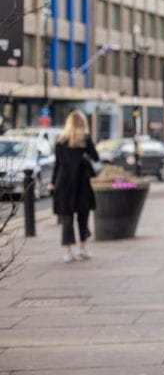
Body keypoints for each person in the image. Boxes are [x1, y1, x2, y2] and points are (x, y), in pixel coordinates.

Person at [52, 110, 99, 263]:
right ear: (83, 123)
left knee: (67, 218)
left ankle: (67, 252)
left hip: (64, 183)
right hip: (81, 182)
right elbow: (96, 157)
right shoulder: (85, 140)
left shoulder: (60, 141)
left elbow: (57, 165)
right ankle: (82, 248)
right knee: (83, 216)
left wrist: (53, 182)